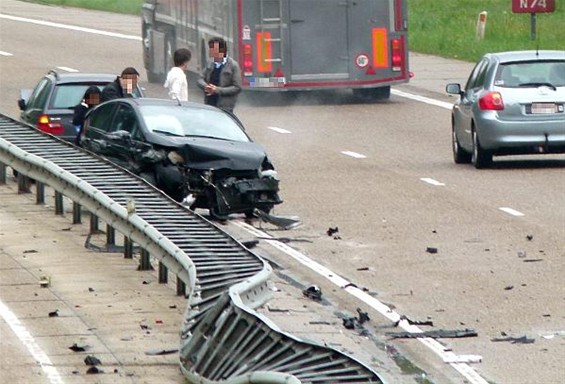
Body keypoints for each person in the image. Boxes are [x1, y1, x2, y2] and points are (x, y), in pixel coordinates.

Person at [197, 37, 242, 113]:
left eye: (212, 49)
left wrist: (217, 90)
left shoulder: (233, 65)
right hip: (209, 105)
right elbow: (200, 79)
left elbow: (237, 87)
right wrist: (206, 86)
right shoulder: (210, 64)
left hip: (225, 108)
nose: (209, 51)